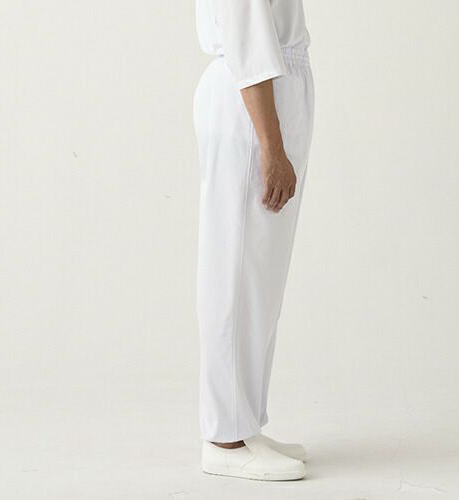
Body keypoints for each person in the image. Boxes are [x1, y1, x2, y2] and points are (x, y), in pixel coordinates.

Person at [193, 0, 314, 481]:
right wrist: (272, 145)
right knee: (235, 274)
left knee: (258, 280)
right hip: (253, 104)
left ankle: (243, 426)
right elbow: (246, 35)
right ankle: (226, 437)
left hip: (269, 92)